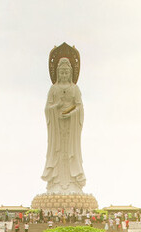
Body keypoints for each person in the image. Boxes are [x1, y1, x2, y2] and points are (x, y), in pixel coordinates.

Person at [42, 56, 87, 194]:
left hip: (71, 126)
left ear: (71, 73)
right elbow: (47, 108)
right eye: (61, 72)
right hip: (57, 127)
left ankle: (74, 182)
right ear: (57, 73)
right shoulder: (53, 89)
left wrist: (71, 113)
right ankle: (55, 182)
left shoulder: (75, 89)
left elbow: (80, 107)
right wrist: (57, 106)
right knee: (57, 151)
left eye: (66, 72)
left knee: (71, 152)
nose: (64, 75)